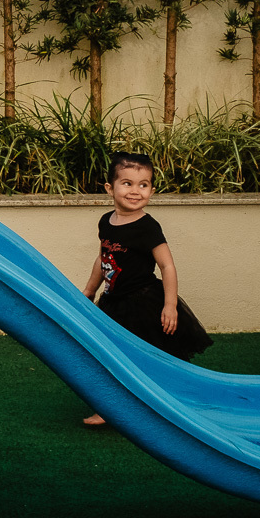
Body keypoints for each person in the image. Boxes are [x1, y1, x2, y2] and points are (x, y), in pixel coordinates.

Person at [81, 152, 212, 426]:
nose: (135, 191)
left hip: (142, 305)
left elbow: (167, 266)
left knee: (149, 358)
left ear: (152, 190)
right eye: (127, 183)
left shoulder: (147, 227)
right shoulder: (106, 221)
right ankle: (110, 407)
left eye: (143, 184)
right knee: (108, 356)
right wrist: (90, 290)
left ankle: (172, 404)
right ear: (110, 188)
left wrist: (170, 304)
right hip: (112, 303)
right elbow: (104, 257)